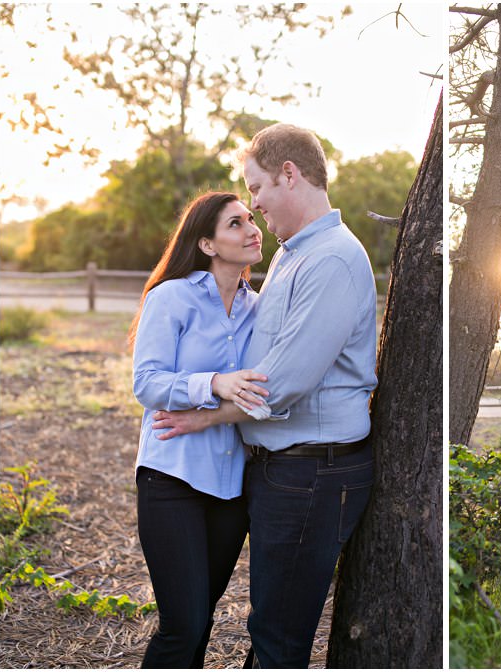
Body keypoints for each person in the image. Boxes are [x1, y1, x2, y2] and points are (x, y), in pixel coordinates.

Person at [150, 123, 378, 668]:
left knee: (278, 638)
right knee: (268, 625)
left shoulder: (331, 260)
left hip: (312, 471)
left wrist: (208, 417)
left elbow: (286, 380)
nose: (254, 204)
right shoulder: (290, 255)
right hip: (285, 469)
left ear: (289, 175)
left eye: (256, 189)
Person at [131, 191, 270, 667]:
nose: (252, 229)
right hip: (171, 478)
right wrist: (213, 383)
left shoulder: (260, 308)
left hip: (232, 488)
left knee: (201, 621)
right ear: (207, 244)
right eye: (236, 223)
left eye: (252, 219)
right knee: (182, 624)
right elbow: (147, 384)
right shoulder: (171, 297)